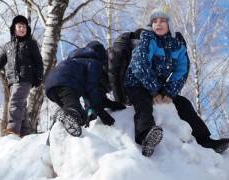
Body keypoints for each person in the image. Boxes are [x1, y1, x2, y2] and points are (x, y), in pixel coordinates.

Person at [124, 8, 229, 157]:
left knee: (184, 103)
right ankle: (145, 137)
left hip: (158, 88)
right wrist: (154, 90)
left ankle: (206, 141)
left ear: (170, 24)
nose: (158, 23)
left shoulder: (177, 44)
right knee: (143, 103)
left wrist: (169, 92)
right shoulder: (147, 39)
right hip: (136, 83)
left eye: (162, 20)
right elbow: (139, 65)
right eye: (154, 21)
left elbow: (182, 70)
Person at [45, 41, 122, 137]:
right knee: (73, 109)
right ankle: (63, 115)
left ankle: (54, 135)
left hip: (50, 84)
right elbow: (91, 88)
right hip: (66, 82)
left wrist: (108, 103)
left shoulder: (76, 59)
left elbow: (89, 94)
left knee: (78, 117)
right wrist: (101, 112)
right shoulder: (94, 62)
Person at [0, 15, 43, 137]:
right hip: (12, 81)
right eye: (19, 26)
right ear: (14, 28)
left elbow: (38, 61)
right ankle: (26, 134)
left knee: (14, 102)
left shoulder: (30, 43)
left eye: (24, 27)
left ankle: (13, 129)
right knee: (21, 106)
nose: (22, 28)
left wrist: (39, 77)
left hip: (25, 77)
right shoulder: (8, 46)